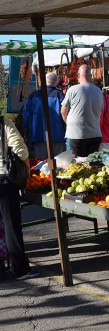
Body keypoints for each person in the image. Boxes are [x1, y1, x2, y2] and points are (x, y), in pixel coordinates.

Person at [0, 116, 39, 280]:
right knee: (11, 226)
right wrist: (27, 168)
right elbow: (20, 149)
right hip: (3, 181)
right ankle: (20, 269)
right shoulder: (4, 123)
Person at [61, 65, 103, 157]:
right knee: (92, 166)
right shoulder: (98, 91)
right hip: (95, 134)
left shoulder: (72, 90)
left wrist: (68, 123)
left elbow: (63, 111)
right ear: (90, 76)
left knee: (75, 166)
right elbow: (100, 110)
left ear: (78, 75)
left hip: (76, 134)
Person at [23, 72, 66, 159]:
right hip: (58, 137)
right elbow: (66, 114)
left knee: (40, 167)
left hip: (38, 137)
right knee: (59, 166)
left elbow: (25, 116)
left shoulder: (33, 96)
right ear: (57, 83)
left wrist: (26, 133)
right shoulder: (60, 95)